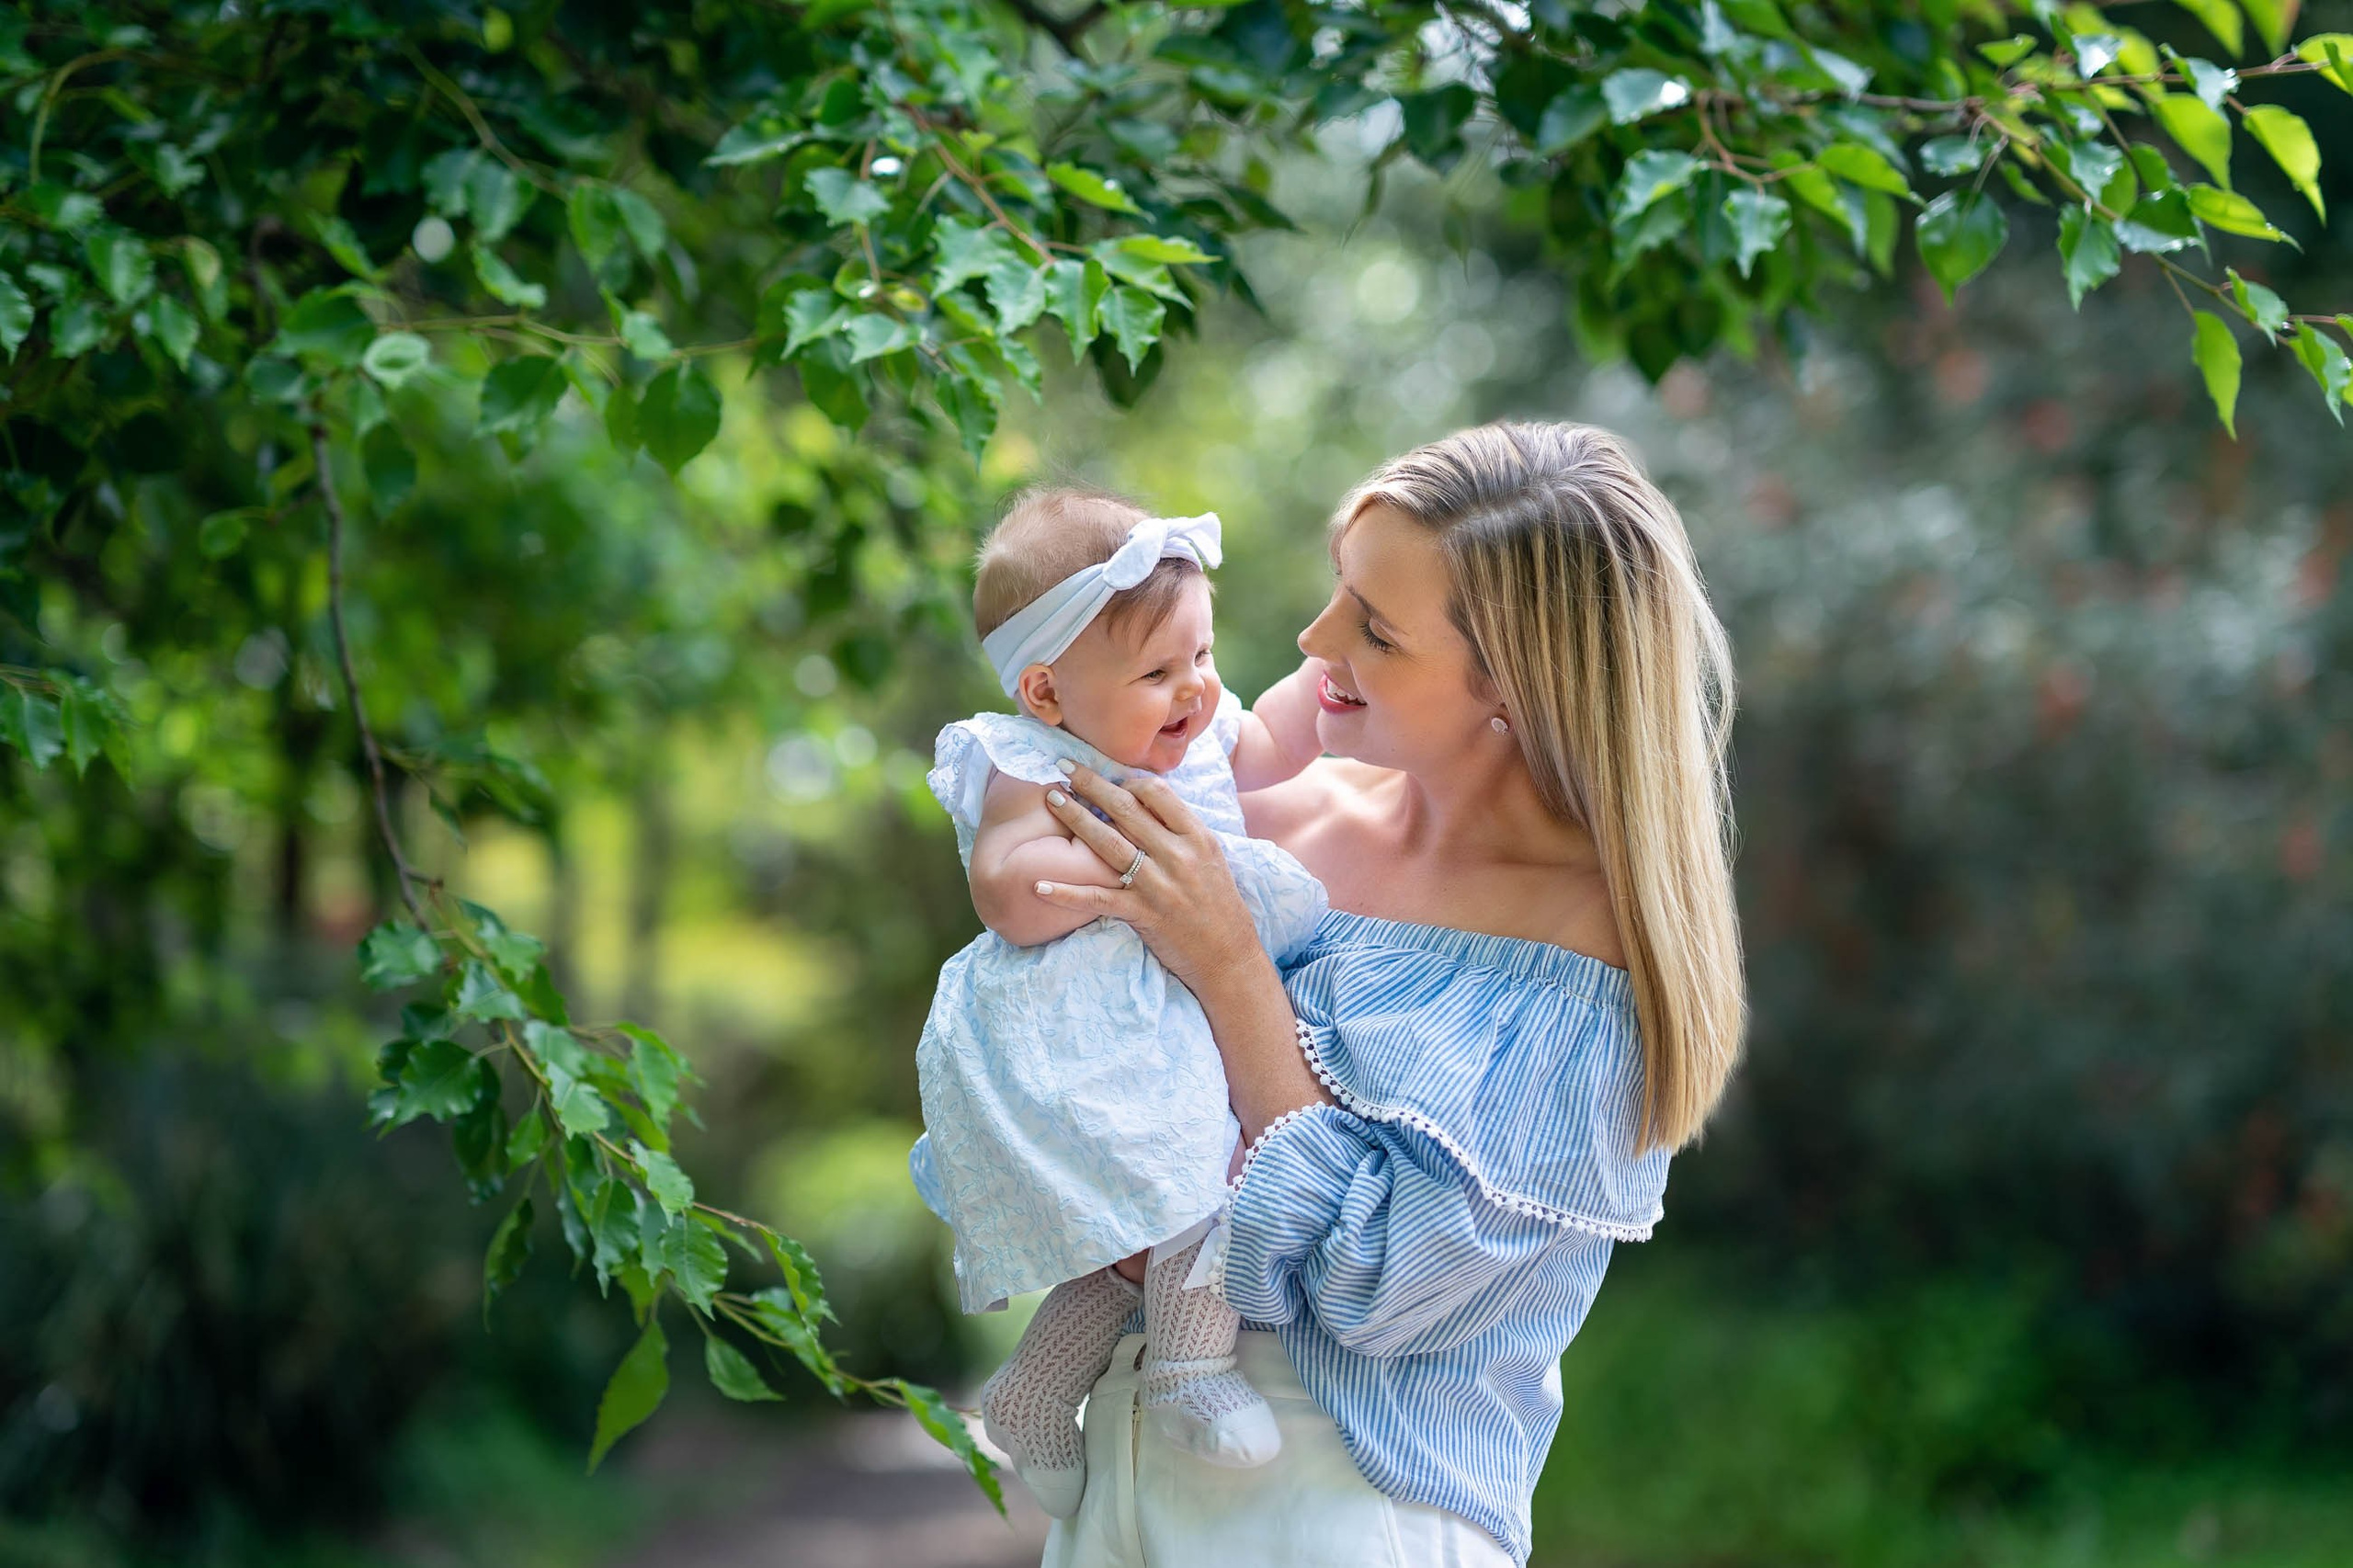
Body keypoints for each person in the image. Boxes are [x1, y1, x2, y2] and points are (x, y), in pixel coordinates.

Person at [1019, 422, 1748, 1566]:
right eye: (1337, 592)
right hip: (1112, 1477)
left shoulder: (1584, 952)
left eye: (1376, 627)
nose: (1315, 638)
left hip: (1339, 1502)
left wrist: (1230, 964)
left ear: (1514, 681)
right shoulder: (1279, 813)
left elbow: (1382, 1290)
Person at [911, 487, 1330, 1516]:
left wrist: (1344, 674)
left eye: (1203, 653)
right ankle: (1188, 1367)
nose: (1194, 687)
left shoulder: (1204, 723)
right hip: (1085, 1022)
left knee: (1148, 1213)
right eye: (1157, 671)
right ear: (1048, 693)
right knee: (1201, 1171)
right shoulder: (1029, 760)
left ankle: (1037, 1388)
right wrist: (1127, 849)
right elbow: (1006, 886)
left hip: (1170, 1001)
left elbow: (1280, 753)